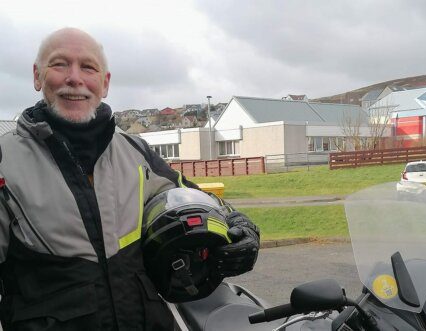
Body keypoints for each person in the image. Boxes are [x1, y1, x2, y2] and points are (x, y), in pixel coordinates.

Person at [0, 28, 259, 331]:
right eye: (59, 64)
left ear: (105, 83)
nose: (74, 78)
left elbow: (191, 196)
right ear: (36, 76)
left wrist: (237, 222)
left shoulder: (135, 151)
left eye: (88, 67)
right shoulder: (6, 162)